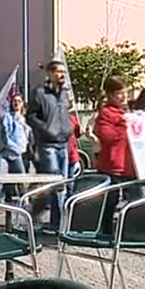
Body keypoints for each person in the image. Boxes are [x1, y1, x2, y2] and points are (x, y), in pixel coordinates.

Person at [27, 59, 73, 226]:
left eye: (63, 72)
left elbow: (65, 115)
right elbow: (30, 116)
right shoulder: (40, 93)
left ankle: (46, 216)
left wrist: (69, 128)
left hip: (64, 142)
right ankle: (59, 224)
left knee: (61, 184)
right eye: (58, 72)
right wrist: (46, 128)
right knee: (57, 183)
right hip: (48, 143)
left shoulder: (65, 94)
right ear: (50, 74)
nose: (61, 75)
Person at [95, 76, 136, 234]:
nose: (124, 96)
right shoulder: (106, 114)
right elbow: (107, 137)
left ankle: (130, 230)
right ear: (111, 95)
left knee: (134, 200)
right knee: (110, 202)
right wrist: (123, 125)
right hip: (112, 167)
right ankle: (106, 231)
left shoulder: (127, 113)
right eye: (119, 93)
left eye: (125, 92)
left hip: (130, 166)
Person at [68, 108, 82, 178]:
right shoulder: (71, 119)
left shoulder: (72, 119)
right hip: (71, 153)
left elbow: (78, 133)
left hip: (71, 153)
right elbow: (78, 133)